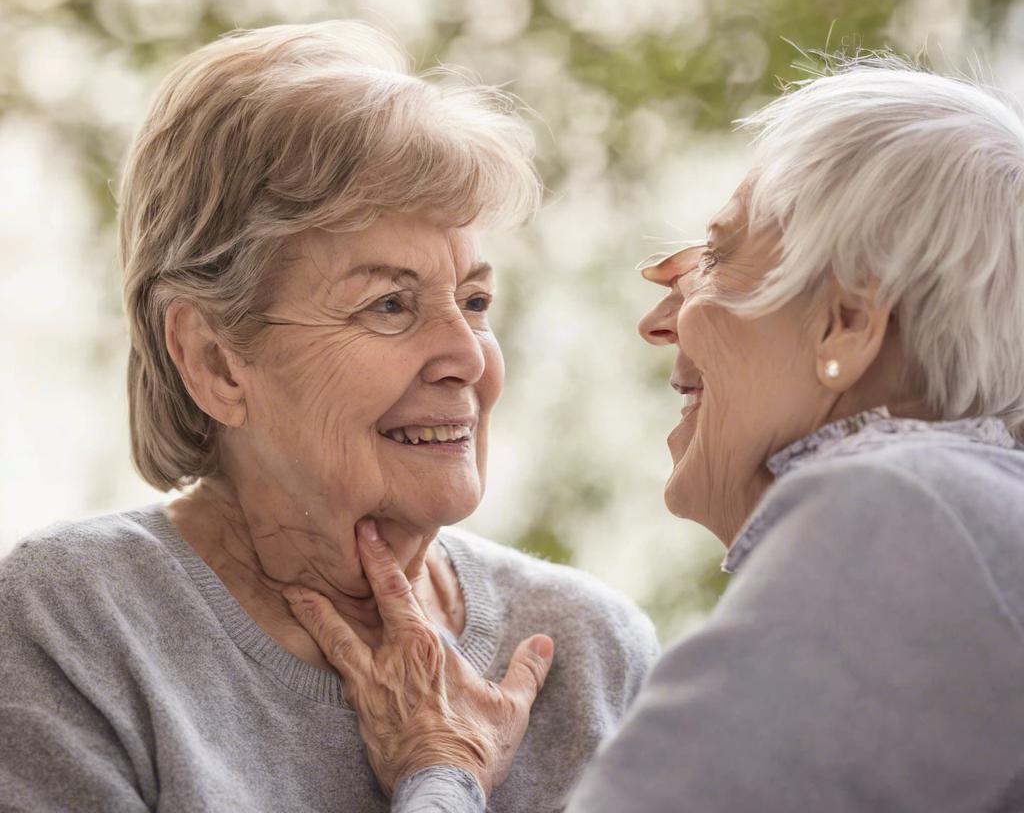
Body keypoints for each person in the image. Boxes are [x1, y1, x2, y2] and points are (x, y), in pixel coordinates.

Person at [285, 58, 1024, 812]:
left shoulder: (895, 512)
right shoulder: (964, 517)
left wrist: (440, 769)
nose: (659, 320)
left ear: (850, 324)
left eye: (719, 257)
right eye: (386, 305)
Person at [0, 22, 660, 812]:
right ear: (214, 361)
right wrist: (440, 775)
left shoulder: (589, 649)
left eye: (476, 301)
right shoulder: (77, 623)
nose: (467, 356)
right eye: (390, 304)